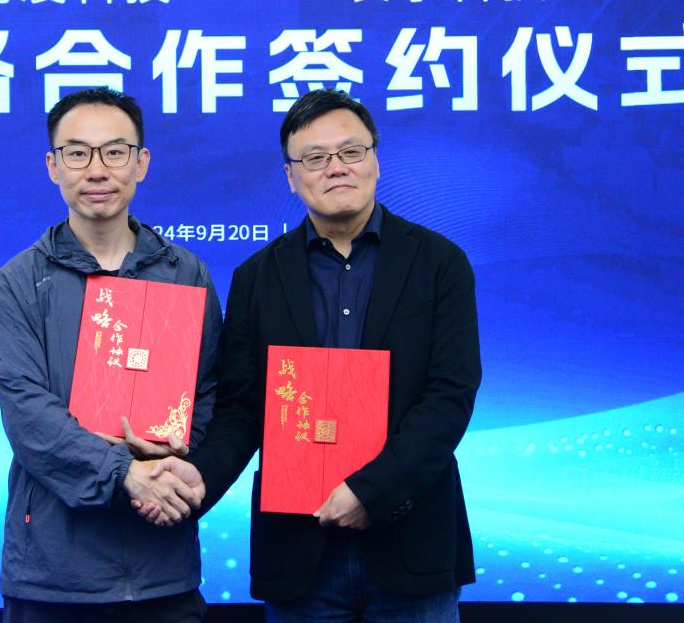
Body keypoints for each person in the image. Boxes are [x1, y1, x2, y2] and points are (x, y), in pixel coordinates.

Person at [148, 88, 481, 621]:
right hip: (298, 553)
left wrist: (370, 491)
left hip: (411, 540)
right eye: (315, 157)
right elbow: (242, 408)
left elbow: (449, 397)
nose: (336, 167)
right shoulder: (258, 277)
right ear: (290, 176)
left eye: (351, 151)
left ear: (375, 160)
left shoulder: (440, 264)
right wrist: (199, 477)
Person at [0, 87, 220, 623]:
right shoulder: (19, 282)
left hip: (163, 566)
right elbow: (26, 412)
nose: (97, 170)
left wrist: (172, 469)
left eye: (115, 152)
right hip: (53, 577)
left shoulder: (186, 273)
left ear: (142, 163)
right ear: (53, 166)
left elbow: (209, 392)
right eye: (77, 153)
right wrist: (124, 474)